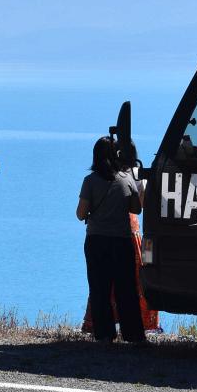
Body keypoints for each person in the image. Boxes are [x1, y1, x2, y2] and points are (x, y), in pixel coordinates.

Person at [76, 136, 146, 342]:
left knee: (100, 288)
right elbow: (136, 209)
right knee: (126, 289)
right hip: (122, 241)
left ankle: (105, 334)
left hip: (97, 240)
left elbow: (81, 213)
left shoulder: (90, 181)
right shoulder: (127, 178)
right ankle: (133, 335)